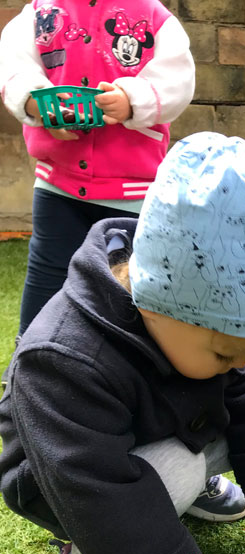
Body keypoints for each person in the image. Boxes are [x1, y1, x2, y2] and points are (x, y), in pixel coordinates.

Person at [0, 132, 245, 554]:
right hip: (59, 483)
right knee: (179, 468)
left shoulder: (195, 327)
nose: (237, 366)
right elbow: (96, 490)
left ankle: (174, 501)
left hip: (148, 433)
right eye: (223, 354)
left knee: (224, 416)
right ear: (158, 303)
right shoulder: (64, 359)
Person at [0, 0, 195, 337]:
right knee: (48, 276)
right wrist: (36, 100)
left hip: (130, 189)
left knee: (124, 286)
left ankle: (120, 368)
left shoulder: (152, 14)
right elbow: (14, 64)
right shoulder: (40, 11)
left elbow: (177, 79)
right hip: (57, 183)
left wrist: (133, 97)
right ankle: (29, 359)